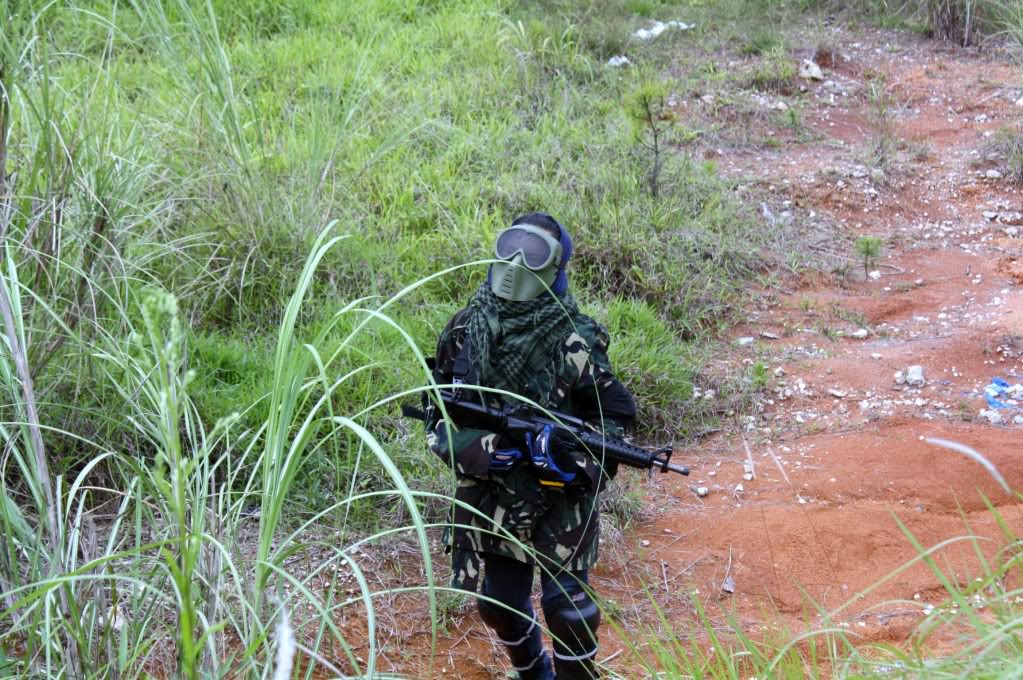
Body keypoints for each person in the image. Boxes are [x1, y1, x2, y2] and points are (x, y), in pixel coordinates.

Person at [424, 213, 637, 679]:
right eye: (511, 247)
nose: (519, 263)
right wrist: (472, 449)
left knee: (570, 612)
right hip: (493, 491)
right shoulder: (465, 331)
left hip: (559, 495)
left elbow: (616, 417)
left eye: (534, 252)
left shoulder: (576, 340)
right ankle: (532, 670)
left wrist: (570, 464)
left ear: (557, 266)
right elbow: (436, 411)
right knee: (499, 605)